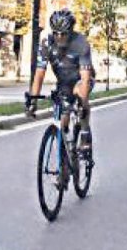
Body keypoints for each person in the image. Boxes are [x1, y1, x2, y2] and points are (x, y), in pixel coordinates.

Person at [26, 9, 94, 160]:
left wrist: (82, 104)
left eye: (63, 33)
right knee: (63, 123)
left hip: (81, 79)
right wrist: (33, 100)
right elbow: (39, 74)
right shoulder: (47, 43)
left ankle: (84, 133)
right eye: (56, 33)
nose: (59, 37)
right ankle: (65, 165)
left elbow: (85, 78)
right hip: (63, 83)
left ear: (70, 31)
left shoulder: (80, 43)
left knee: (79, 93)